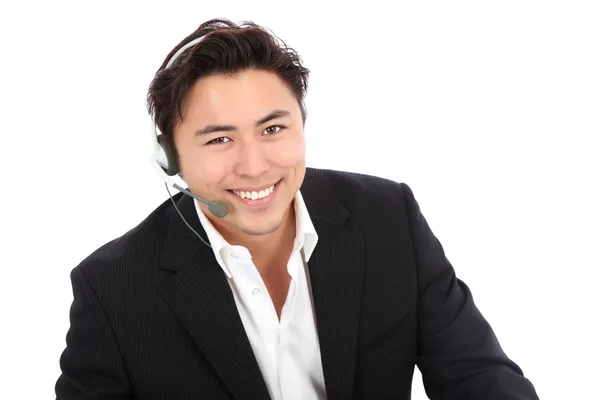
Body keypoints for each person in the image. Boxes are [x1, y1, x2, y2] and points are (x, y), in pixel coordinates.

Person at [55, 18, 539, 400]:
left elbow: (480, 378)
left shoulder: (389, 218)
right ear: (171, 158)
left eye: (273, 130)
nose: (254, 165)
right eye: (220, 138)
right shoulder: (111, 290)